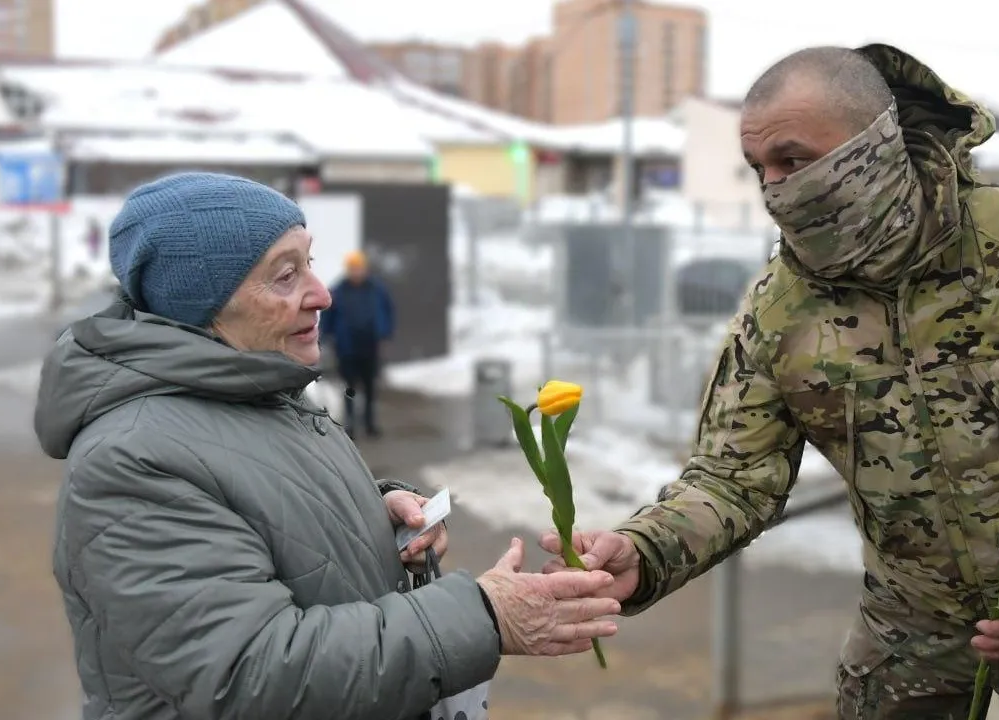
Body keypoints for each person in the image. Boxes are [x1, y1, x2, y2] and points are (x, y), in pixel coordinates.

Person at [539, 44, 999, 719]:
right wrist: (644, 550)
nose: (775, 188)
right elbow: (732, 479)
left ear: (877, 143)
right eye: (759, 168)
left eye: (794, 160)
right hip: (908, 643)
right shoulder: (778, 313)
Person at [35, 172, 620, 720]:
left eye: (309, 263)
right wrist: (485, 617)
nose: (322, 294)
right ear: (201, 304)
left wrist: (374, 516)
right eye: (284, 275)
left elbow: (267, 510)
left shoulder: (261, 394)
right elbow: (252, 675)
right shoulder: (130, 463)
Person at [320, 249, 393, 439]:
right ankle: (350, 424)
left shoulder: (376, 289)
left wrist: (385, 334)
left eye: (359, 268)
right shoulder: (338, 290)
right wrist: (325, 338)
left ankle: (370, 424)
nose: (356, 272)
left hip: (370, 346)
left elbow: (387, 311)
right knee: (350, 388)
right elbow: (327, 316)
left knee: (370, 388)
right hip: (347, 349)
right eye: (353, 268)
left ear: (364, 269)